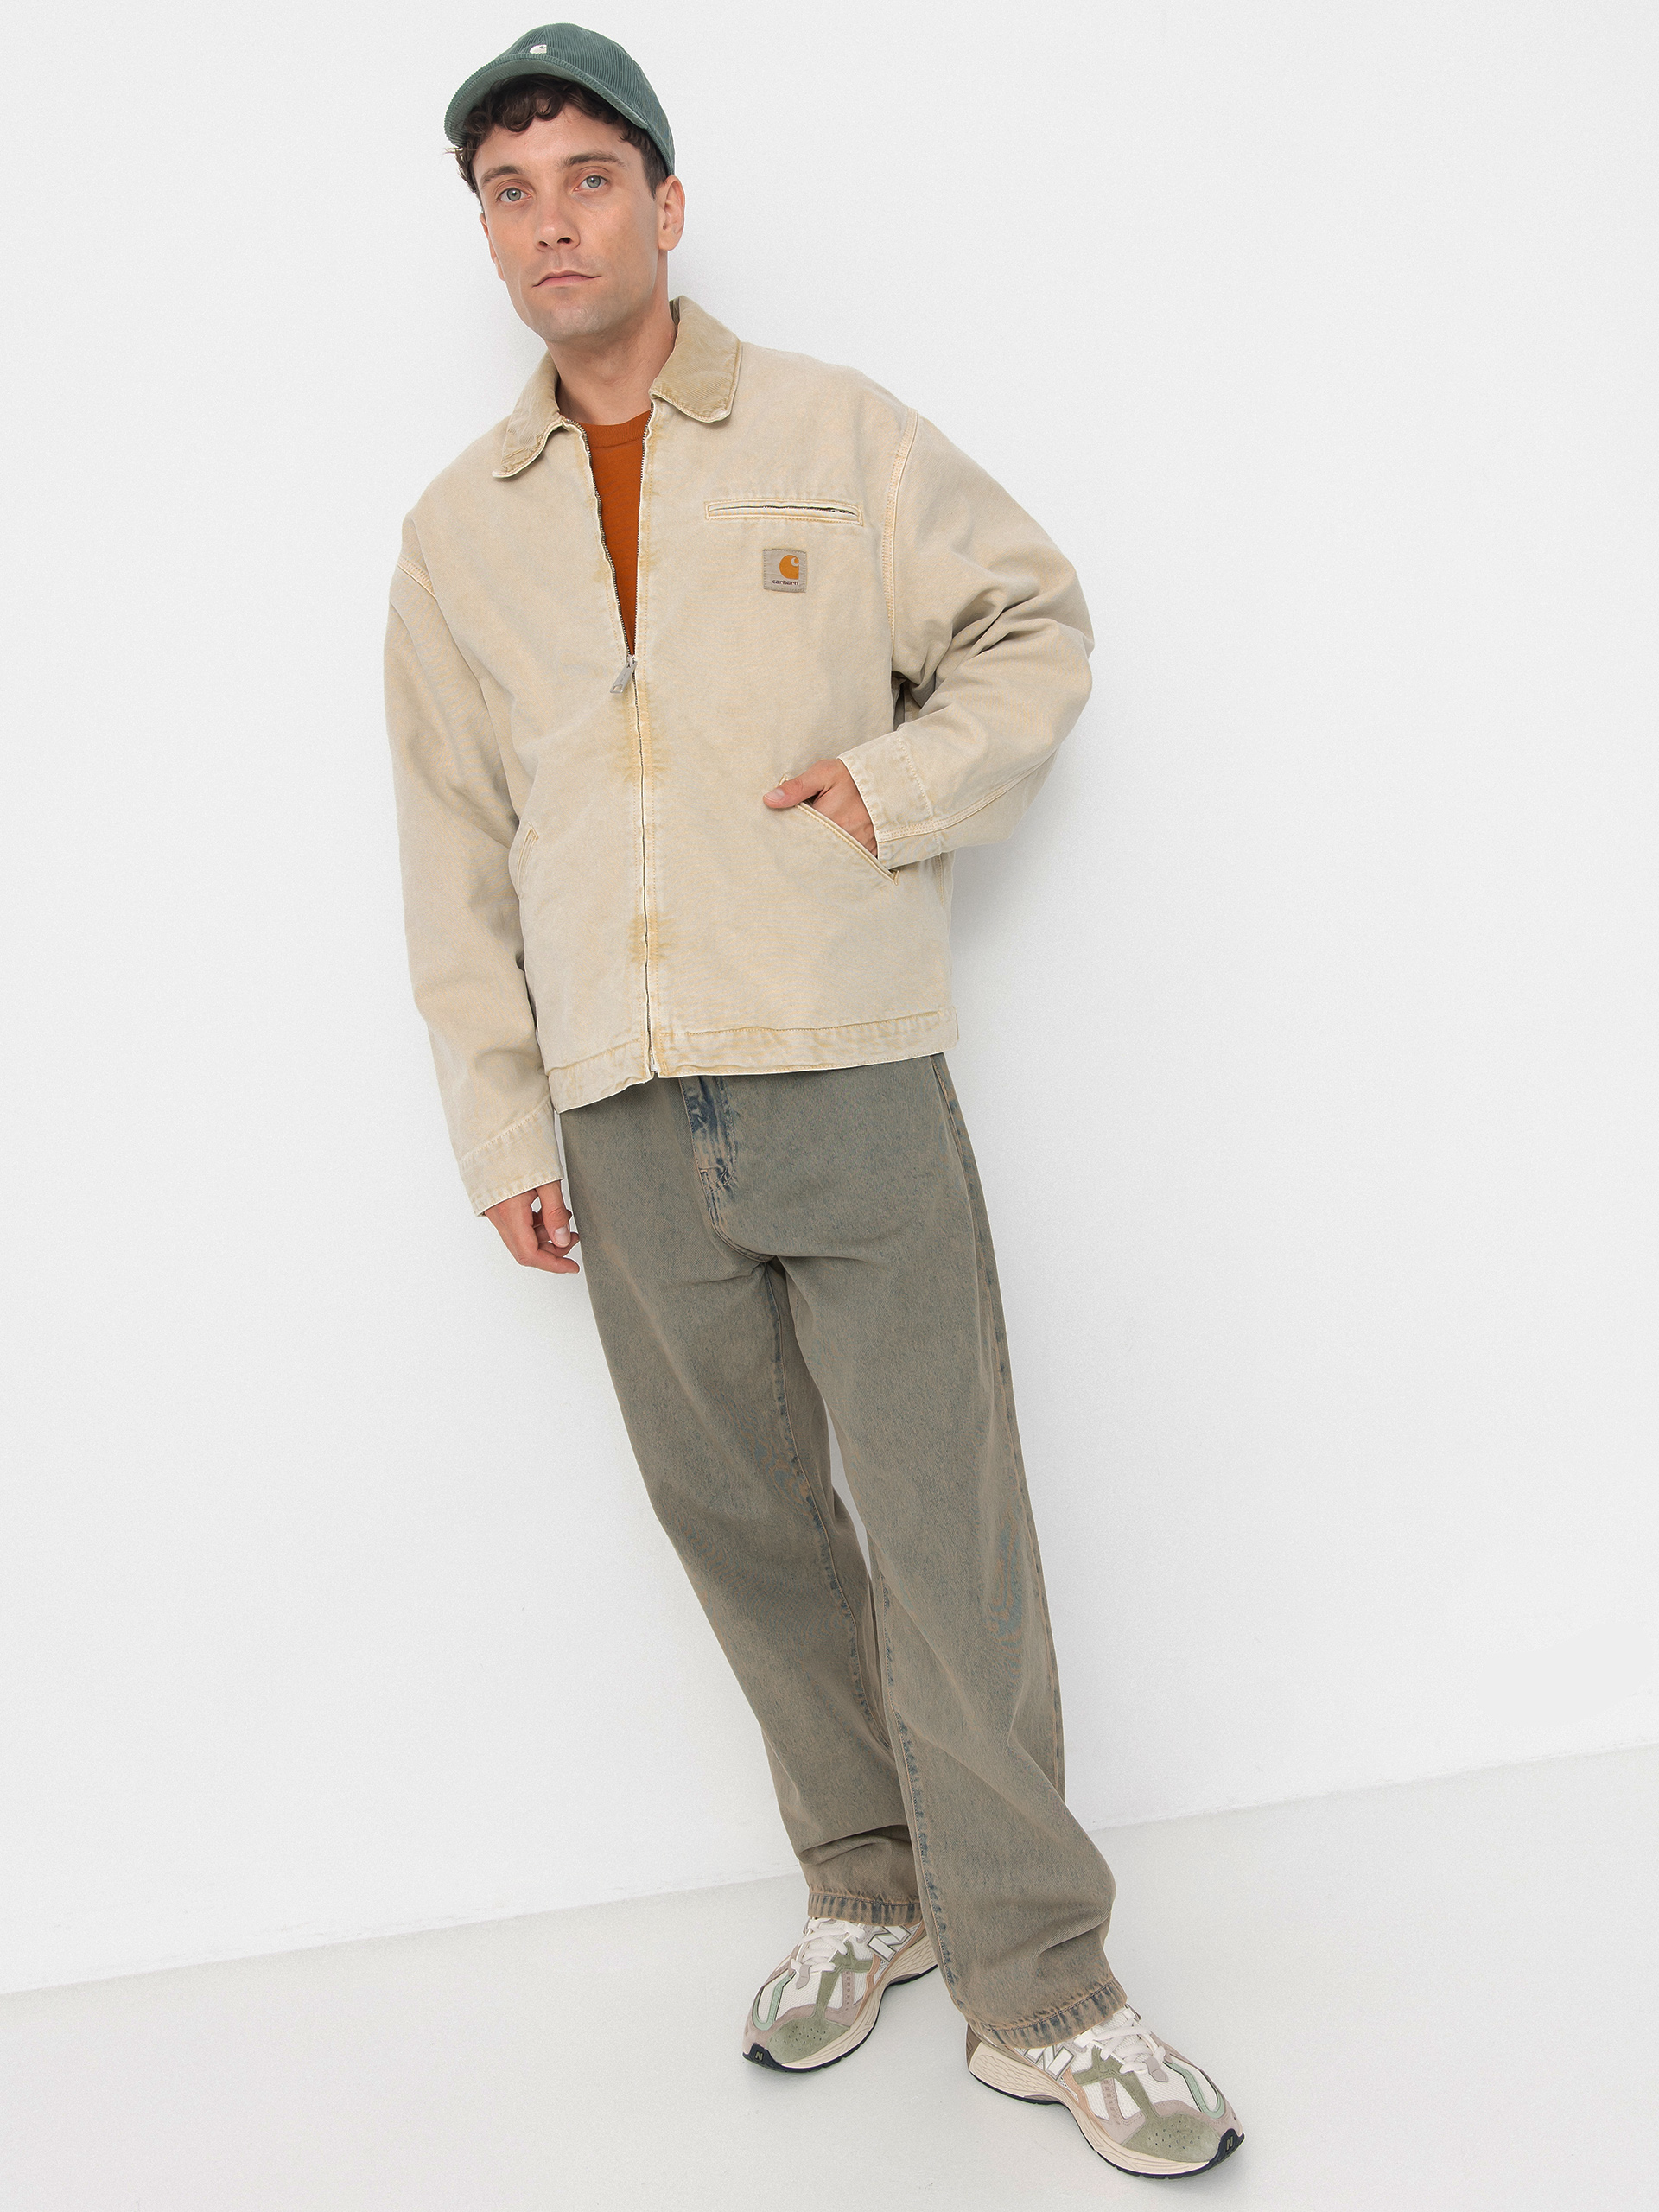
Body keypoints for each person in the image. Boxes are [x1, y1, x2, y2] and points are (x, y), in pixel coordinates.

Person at [385, 22, 1243, 2181]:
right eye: (509, 191)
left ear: (666, 205)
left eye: (589, 176)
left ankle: (1045, 1983)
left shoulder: (833, 432)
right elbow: (451, 848)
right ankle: (871, 1884)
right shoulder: (457, 536)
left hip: (843, 1060)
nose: (551, 221)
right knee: (748, 1527)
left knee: (950, 1532)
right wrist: (504, 1122)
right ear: (487, 235)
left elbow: (1030, 624)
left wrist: (896, 780)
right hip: (617, 1107)